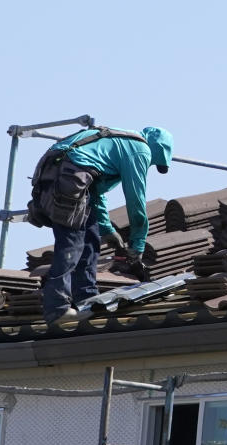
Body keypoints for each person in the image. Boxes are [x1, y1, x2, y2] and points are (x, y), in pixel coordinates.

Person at [33, 125, 173, 325]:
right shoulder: (140, 149)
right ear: (156, 150)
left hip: (56, 173)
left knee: (90, 236)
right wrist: (138, 245)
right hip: (70, 175)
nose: (148, 166)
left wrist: (107, 229)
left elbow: (95, 193)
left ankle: (86, 297)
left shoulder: (116, 141)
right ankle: (57, 308)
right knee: (71, 243)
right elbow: (136, 202)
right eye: (153, 163)